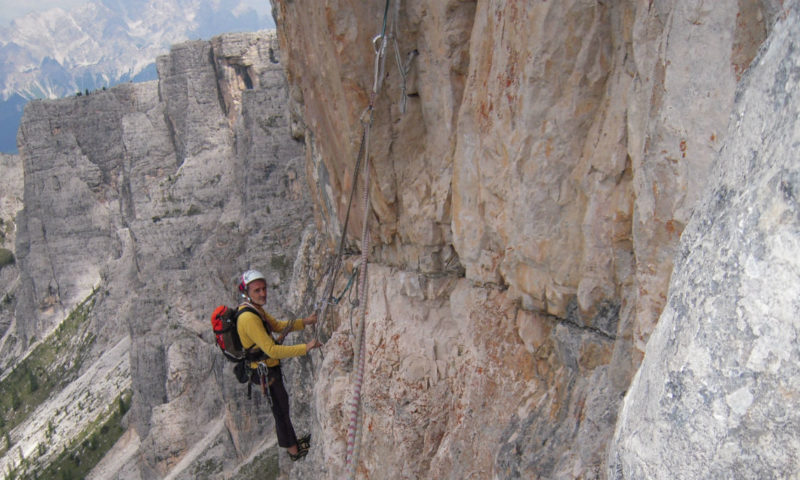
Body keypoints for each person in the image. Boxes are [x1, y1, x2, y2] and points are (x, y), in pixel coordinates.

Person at [236, 269, 322, 461]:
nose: (263, 293)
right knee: (280, 410)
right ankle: (294, 452)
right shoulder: (248, 317)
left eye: (264, 289)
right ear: (247, 292)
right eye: (257, 290)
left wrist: (306, 321)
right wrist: (306, 347)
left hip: (267, 367)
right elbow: (272, 350)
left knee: (282, 406)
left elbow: (277, 325)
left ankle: (293, 443)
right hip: (264, 370)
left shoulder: (256, 309)